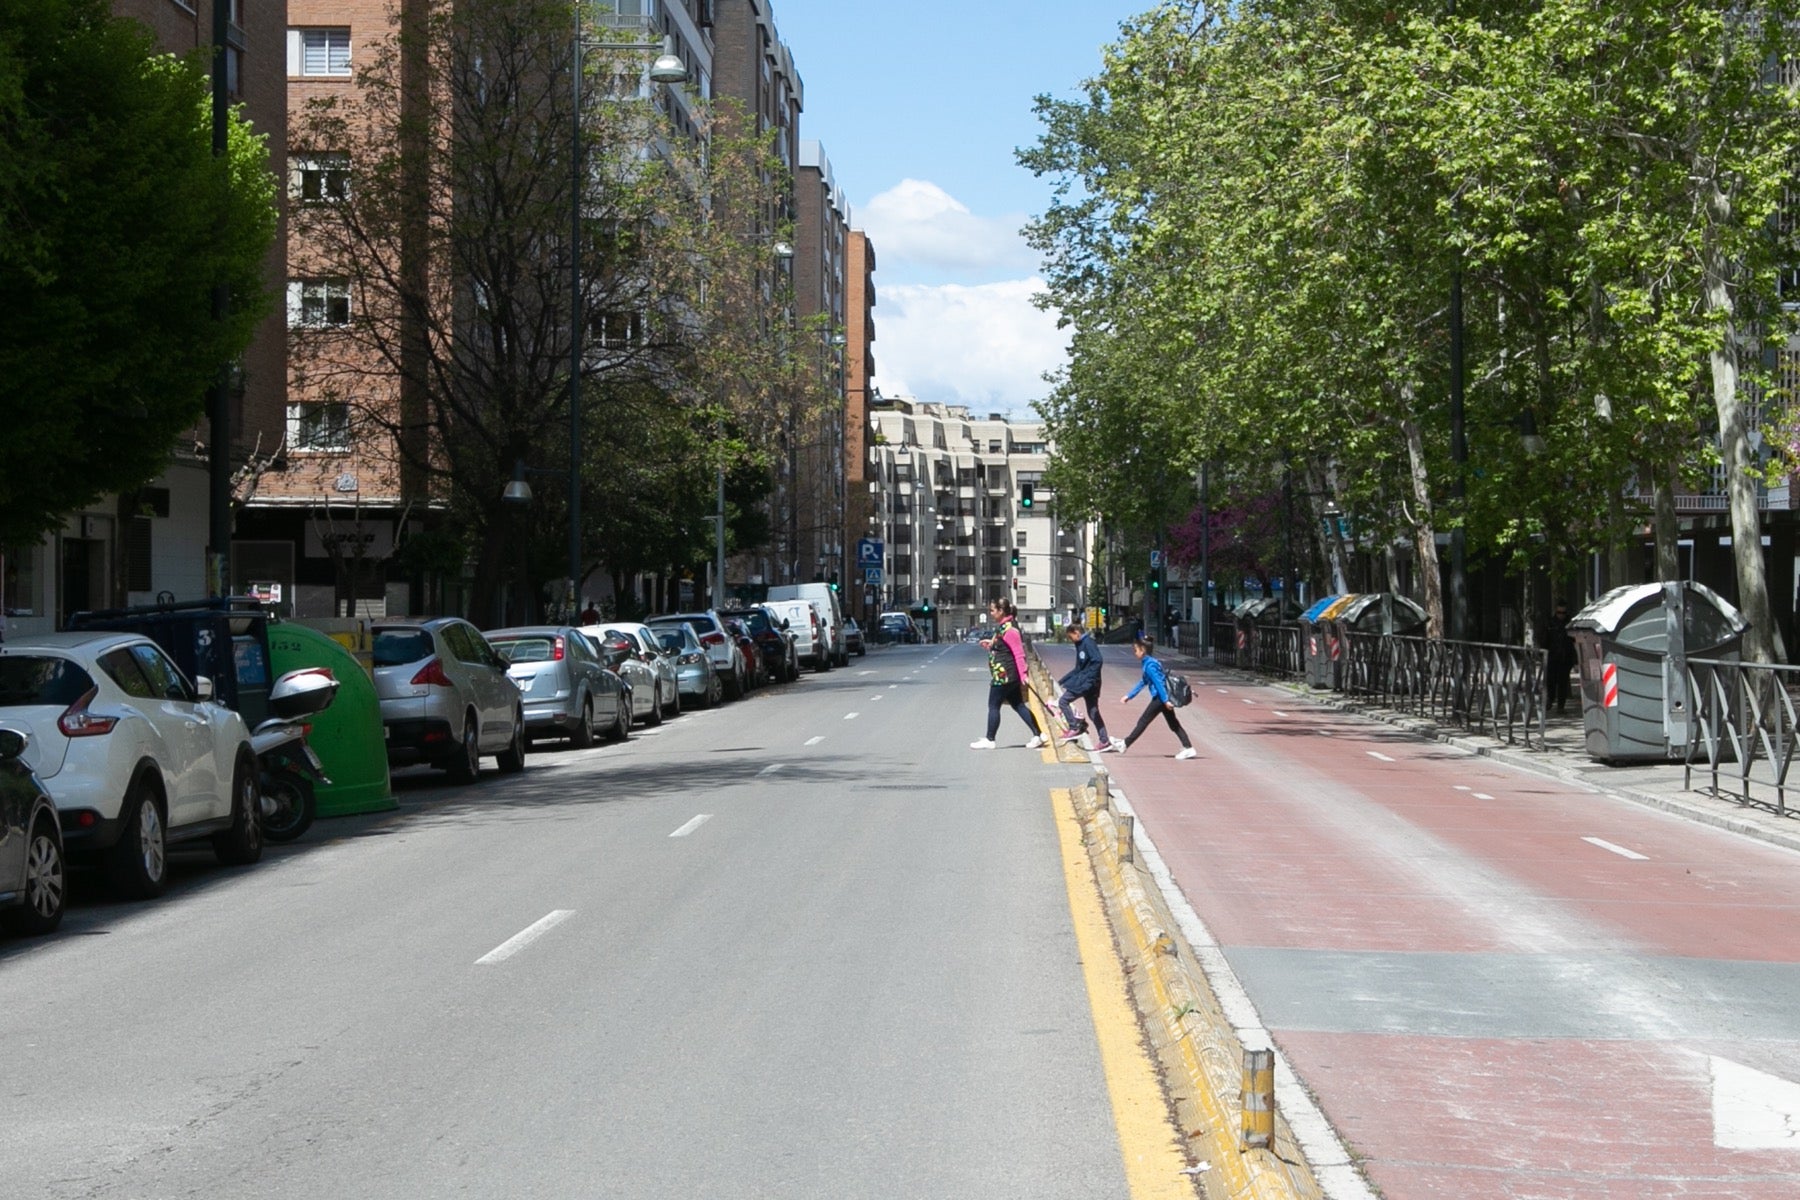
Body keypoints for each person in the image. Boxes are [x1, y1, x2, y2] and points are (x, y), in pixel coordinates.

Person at [972, 597, 1044, 750]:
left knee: (993, 706)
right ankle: (1038, 734)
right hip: (1006, 675)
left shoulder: (1010, 630)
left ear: (1001, 611)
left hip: (1004, 676)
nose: (991, 613)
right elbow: (1003, 648)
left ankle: (990, 739)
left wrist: (1023, 675)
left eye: (993, 610)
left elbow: (1019, 653)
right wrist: (989, 645)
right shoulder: (1003, 627)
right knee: (1018, 705)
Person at [1111, 636, 1196, 759]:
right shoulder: (1149, 663)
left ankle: (1125, 744)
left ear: (1143, 650)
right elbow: (1143, 681)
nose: (1134, 653)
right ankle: (1188, 747)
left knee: (1143, 721)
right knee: (1173, 724)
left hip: (1160, 699)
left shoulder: (1150, 665)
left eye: (1136, 650)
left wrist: (1165, 700)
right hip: (1162, 698)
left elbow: (1159, 683)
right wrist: (1129, 695)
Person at [1055, 620, 1111, 749]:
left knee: (1063, 701)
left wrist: (1090, 679)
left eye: (1071, 637)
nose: (1071, 640)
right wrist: (1063, 680)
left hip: (1088, 683)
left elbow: (1098, 660)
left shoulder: (1088, 643)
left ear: (1077, 632)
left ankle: (1074, 727)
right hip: (1086, 682)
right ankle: (1104, 740)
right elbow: (1078, 668)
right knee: (1093, 712)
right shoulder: (1080, 644)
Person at [1546, 600, 1576, 714]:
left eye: (1563, 613)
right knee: (1551, 681)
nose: (1561, 615)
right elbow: (1545, 639)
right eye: (1559, 612)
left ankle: (1560, 706)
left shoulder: (1569, 624)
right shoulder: (1550, 623)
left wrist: (1573, 658)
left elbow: (1573, 640)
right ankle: (1550, 699)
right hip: (1552, 656)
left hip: (1565, 657)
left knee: (1562, 682)